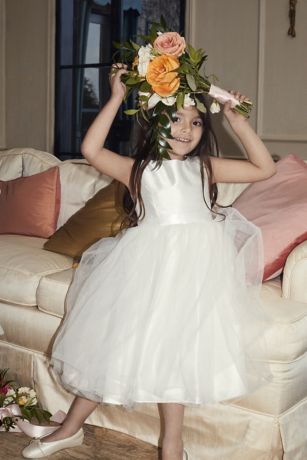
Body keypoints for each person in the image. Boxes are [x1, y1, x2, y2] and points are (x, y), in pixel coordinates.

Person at [22, 59, 276, 460]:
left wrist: (234, 119)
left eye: (195, 123)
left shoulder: (205, 168)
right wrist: (117, 96)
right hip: (148, 269)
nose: (185, 130)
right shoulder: (140, 169)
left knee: (174, 355)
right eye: (176, 119)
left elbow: (263, 169)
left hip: (196, 276)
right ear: (157, 122)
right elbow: (90, 149)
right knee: (116, 349)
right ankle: (70, 429)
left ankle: (171, 445)